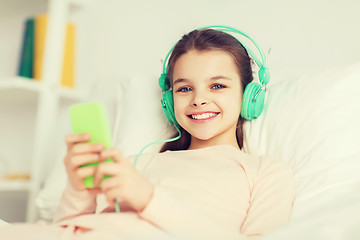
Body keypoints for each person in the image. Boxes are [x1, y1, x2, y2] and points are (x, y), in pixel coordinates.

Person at [1, 27, 296, 240]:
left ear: (249, 96)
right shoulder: (135, 163)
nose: (198, 99)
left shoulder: (265, 173)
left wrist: (148, 199)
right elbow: (69, 229)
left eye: (217, 85)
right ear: (169, 102)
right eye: (184, 88)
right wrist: (80, 189)